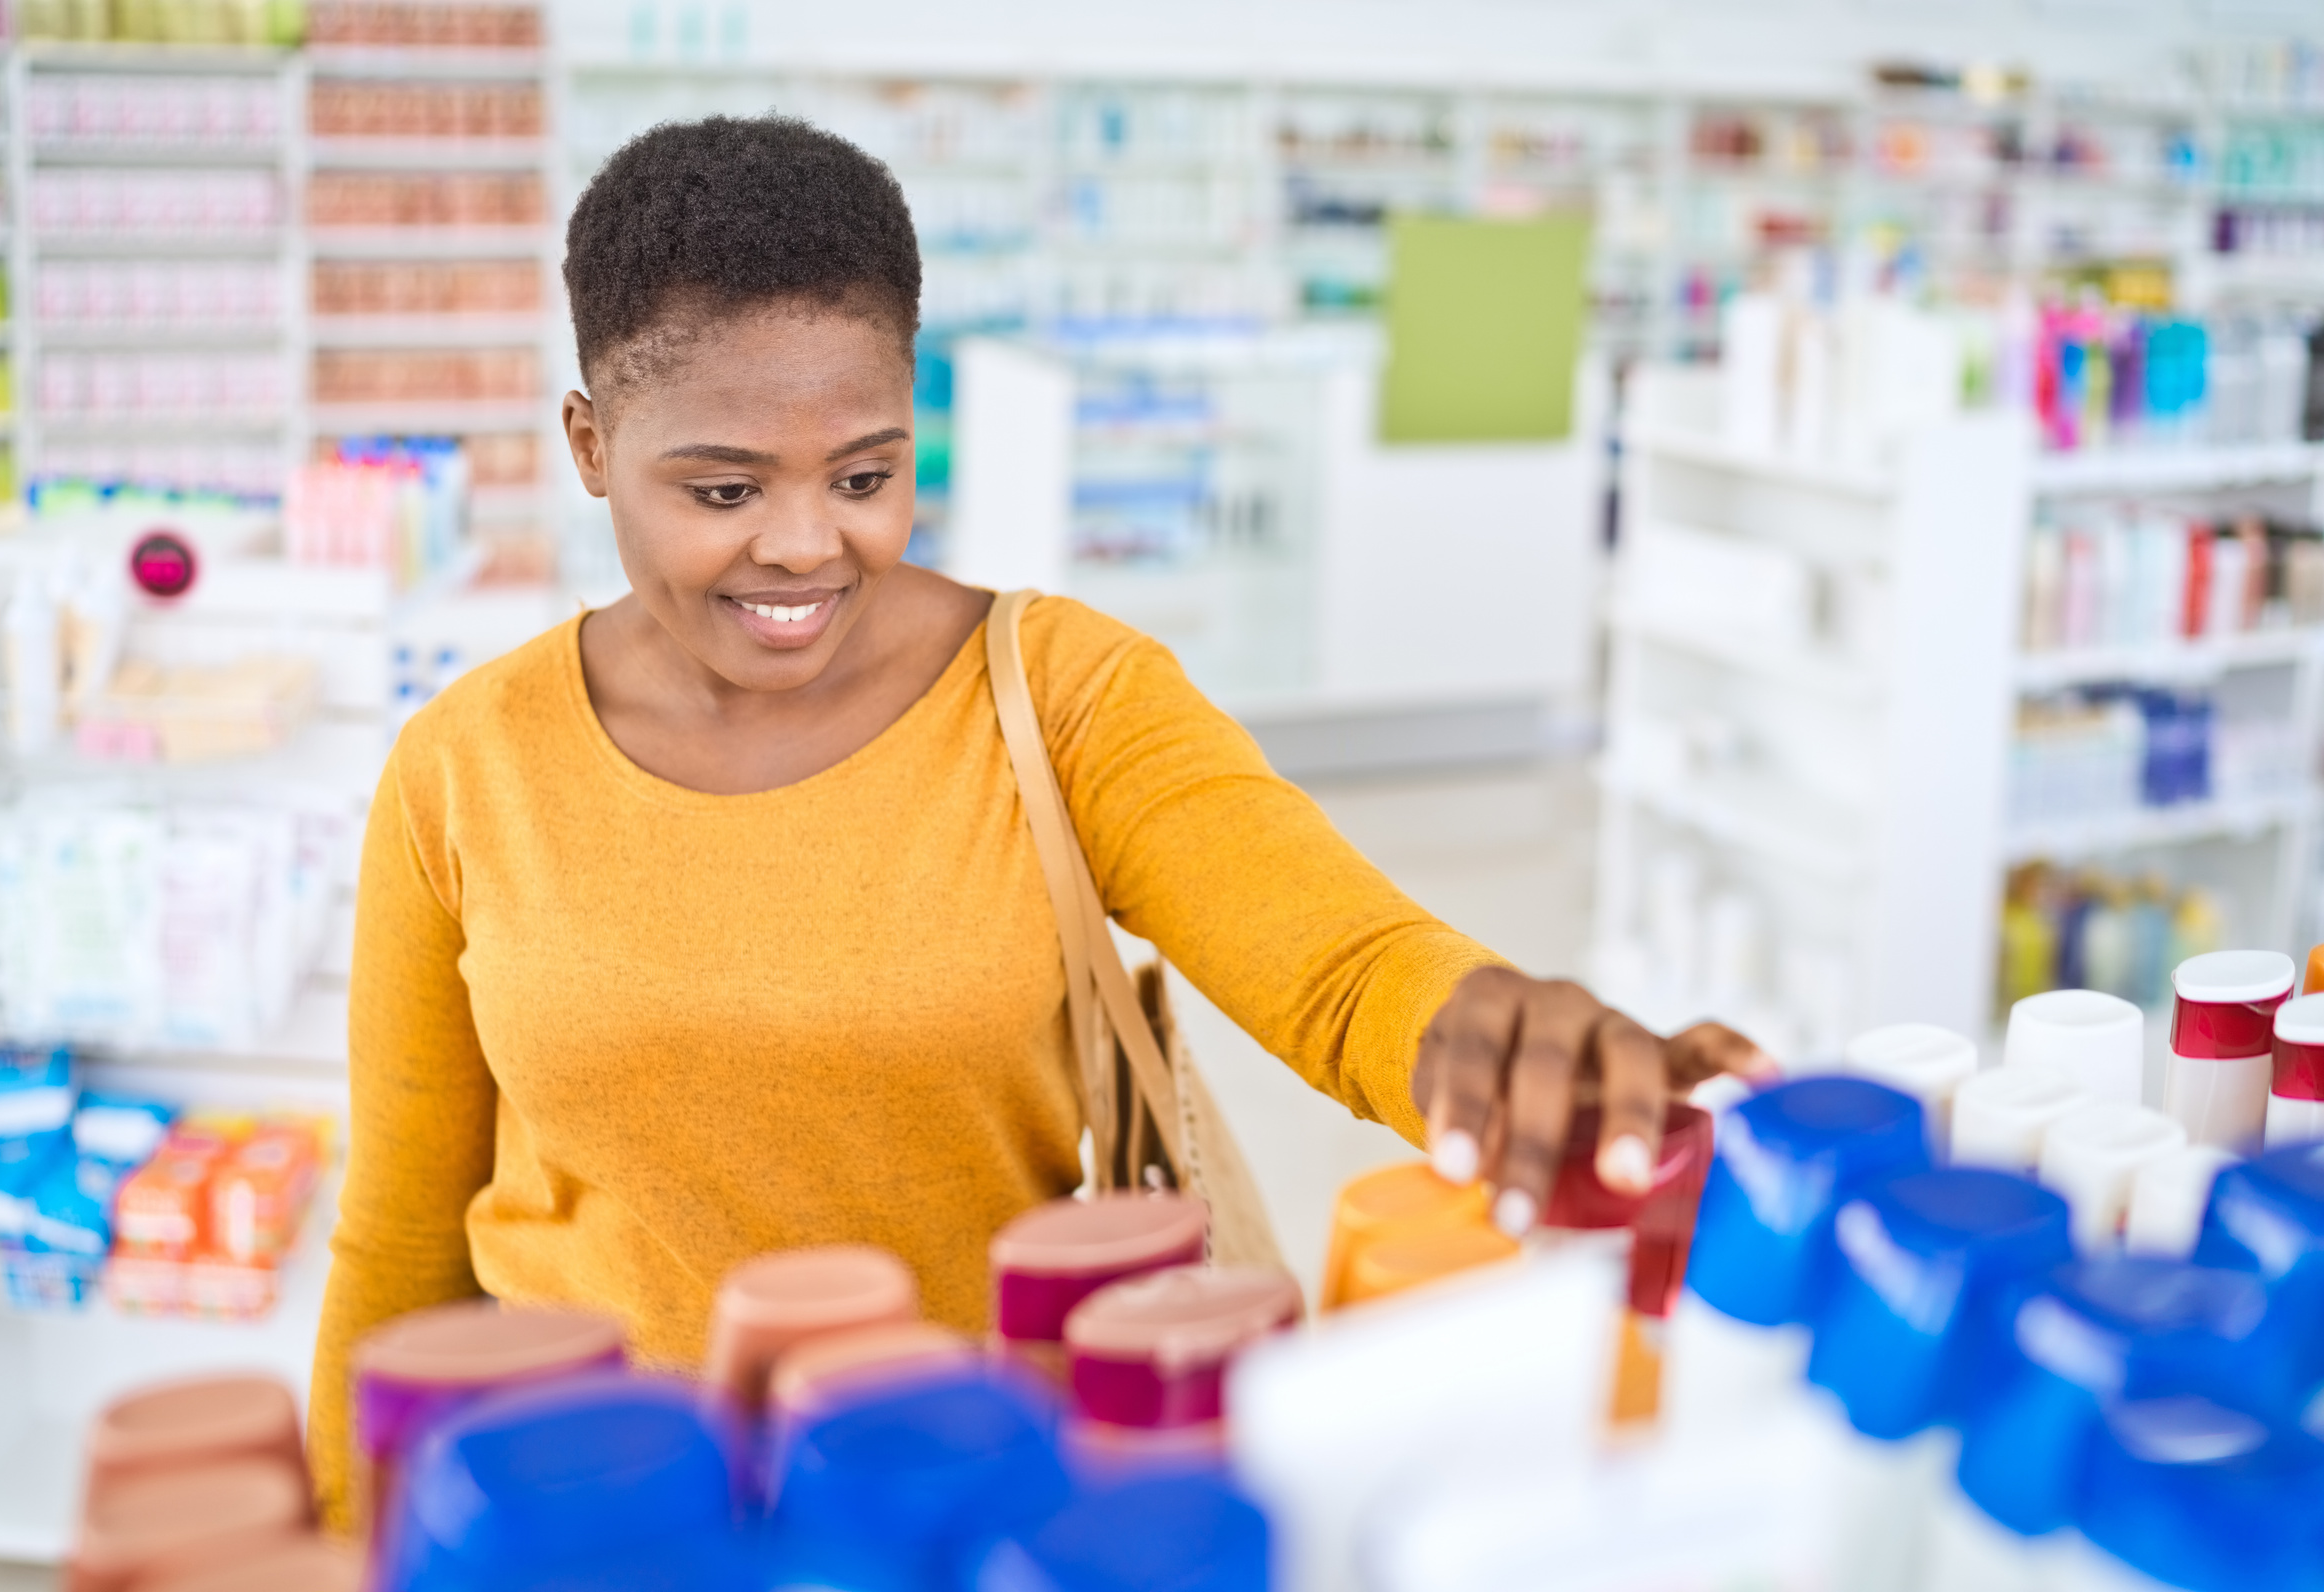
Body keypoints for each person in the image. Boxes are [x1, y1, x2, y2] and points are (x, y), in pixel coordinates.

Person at [306, 114, 1768, 1523]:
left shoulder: (1057, 693)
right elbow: (399, 1236)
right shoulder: (465, 765)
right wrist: (330, 1533)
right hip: (584, 1525)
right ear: (587, 441)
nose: (810, 544)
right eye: (724, 487)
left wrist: (1483, 1028)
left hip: (965, 1501)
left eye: (866, 475)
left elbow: (1340, 966)